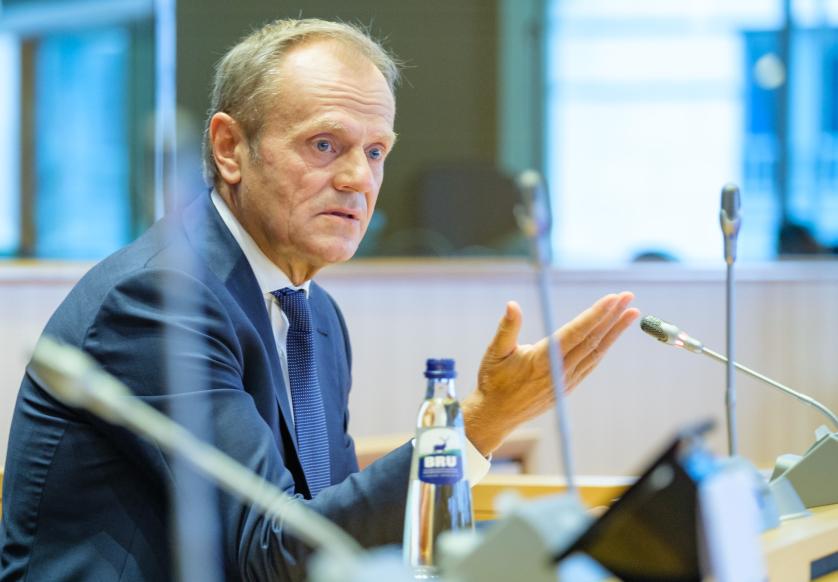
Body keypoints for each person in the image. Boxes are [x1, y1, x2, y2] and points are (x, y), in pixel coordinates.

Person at [0, 18, 639, 581]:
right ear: (230, 149)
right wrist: (476, 425)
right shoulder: (157, 301)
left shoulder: (313, 314)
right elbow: (272, 551)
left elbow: (323, 542)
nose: (358, 178)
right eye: (324, 145)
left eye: (376, 151)